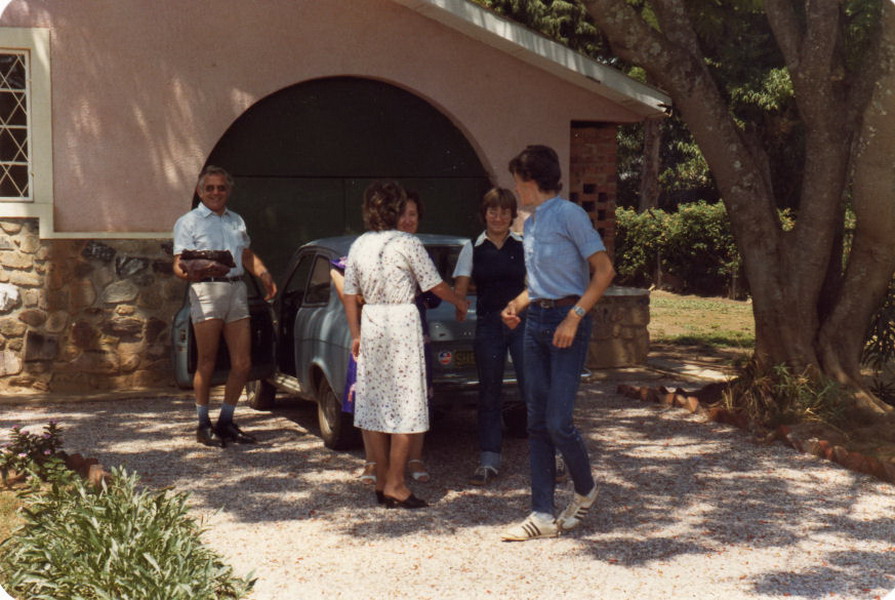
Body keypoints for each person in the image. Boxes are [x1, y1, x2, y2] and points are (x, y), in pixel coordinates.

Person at [499, 145, 615, 540]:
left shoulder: (570, 215)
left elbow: (604, 271)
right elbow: (537, 284)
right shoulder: (530, 224)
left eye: (518, 183)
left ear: (532, 182)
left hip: (568, 322)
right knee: (536, 423)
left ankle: (585, 489)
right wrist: (517, 304)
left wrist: (574, 316)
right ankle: (542, 515)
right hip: (535, 323)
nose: (516, 190)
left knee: (558, 422)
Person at [343, 181, 468, 509]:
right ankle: (396, 484)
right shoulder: (407, 243)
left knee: (374, 402)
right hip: (400, 322)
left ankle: (382, 480)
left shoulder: (359, 244)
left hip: (372, 321)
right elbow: (435, 285)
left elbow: (348, 293)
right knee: (407, 403)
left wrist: (355, 332)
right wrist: (459, 300)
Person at [173, 165, 277, 447]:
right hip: (206, 290)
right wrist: (192, 273)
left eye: (221, 188)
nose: (216, 193)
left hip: (236, 289)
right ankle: (203, 423)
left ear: (228, 190)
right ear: (200, 192)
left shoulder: (236, 220)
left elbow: (246, 255)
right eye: (210, 188)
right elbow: (178, 264)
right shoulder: (189, 222)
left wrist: (264, 274)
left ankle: (226, 421)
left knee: (243, 363)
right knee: (207, 361)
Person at [453, 188, 526, 486]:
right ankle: (489, 459)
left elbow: (534, 284)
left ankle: (550, 455)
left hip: (521, 323)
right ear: (484, 214)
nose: (498, 217)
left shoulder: (524, 245)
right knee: (489, 391)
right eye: (493, 211)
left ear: (512, 215)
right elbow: (460, 287)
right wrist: (459, 302)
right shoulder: (472, 248)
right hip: (488, 326)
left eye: (504, 212)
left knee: (532, 388)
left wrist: (517, 308)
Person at [398, 190, 439, 484]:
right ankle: (385, 462)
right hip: (389, 332)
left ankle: (415, 458)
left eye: (412, 214)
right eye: (402, 214)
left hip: (416, 332)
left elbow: (434, 298)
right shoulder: (383, 248)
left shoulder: (422, 251)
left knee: (419, 396)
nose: (407, 220)